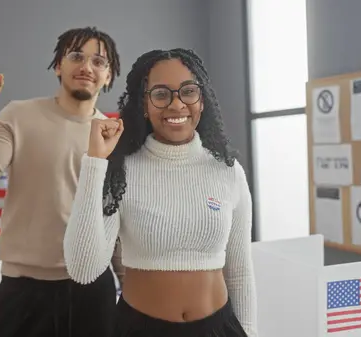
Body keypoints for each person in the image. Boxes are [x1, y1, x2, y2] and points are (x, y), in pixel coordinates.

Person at [63, 48, 258, 337]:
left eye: (188, 92)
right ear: (144, 103)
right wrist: (95, 162)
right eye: (161, 94)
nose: (177, 104)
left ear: (201, 100)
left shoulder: (228, 172)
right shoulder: (120, 169)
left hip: (220, 328)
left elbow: (240, 272)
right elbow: (84, 269)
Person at [0, 26, 124, 337]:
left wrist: (128, 290)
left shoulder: (113, 137)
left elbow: (115, 221)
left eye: (99, 62)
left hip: (93, 289)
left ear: (109, 76)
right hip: (24, 291)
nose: (87, 67)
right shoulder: (19, 115)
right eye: (76, 56)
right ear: (59, 65)